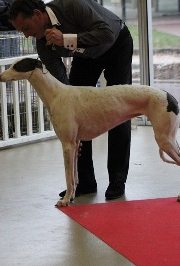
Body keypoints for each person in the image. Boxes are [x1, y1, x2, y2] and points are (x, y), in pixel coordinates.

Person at [8, 0, 134, 200]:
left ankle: (117, 180)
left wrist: (66, 38)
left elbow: (105, 34)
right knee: (77, 115)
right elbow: (64, 86)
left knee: (119, 111)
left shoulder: (73, 5)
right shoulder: (43, 44)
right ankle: (84, 182)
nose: (26, 34)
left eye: (26, 28)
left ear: (37, 14)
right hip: (86, 57)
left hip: (116, 43)